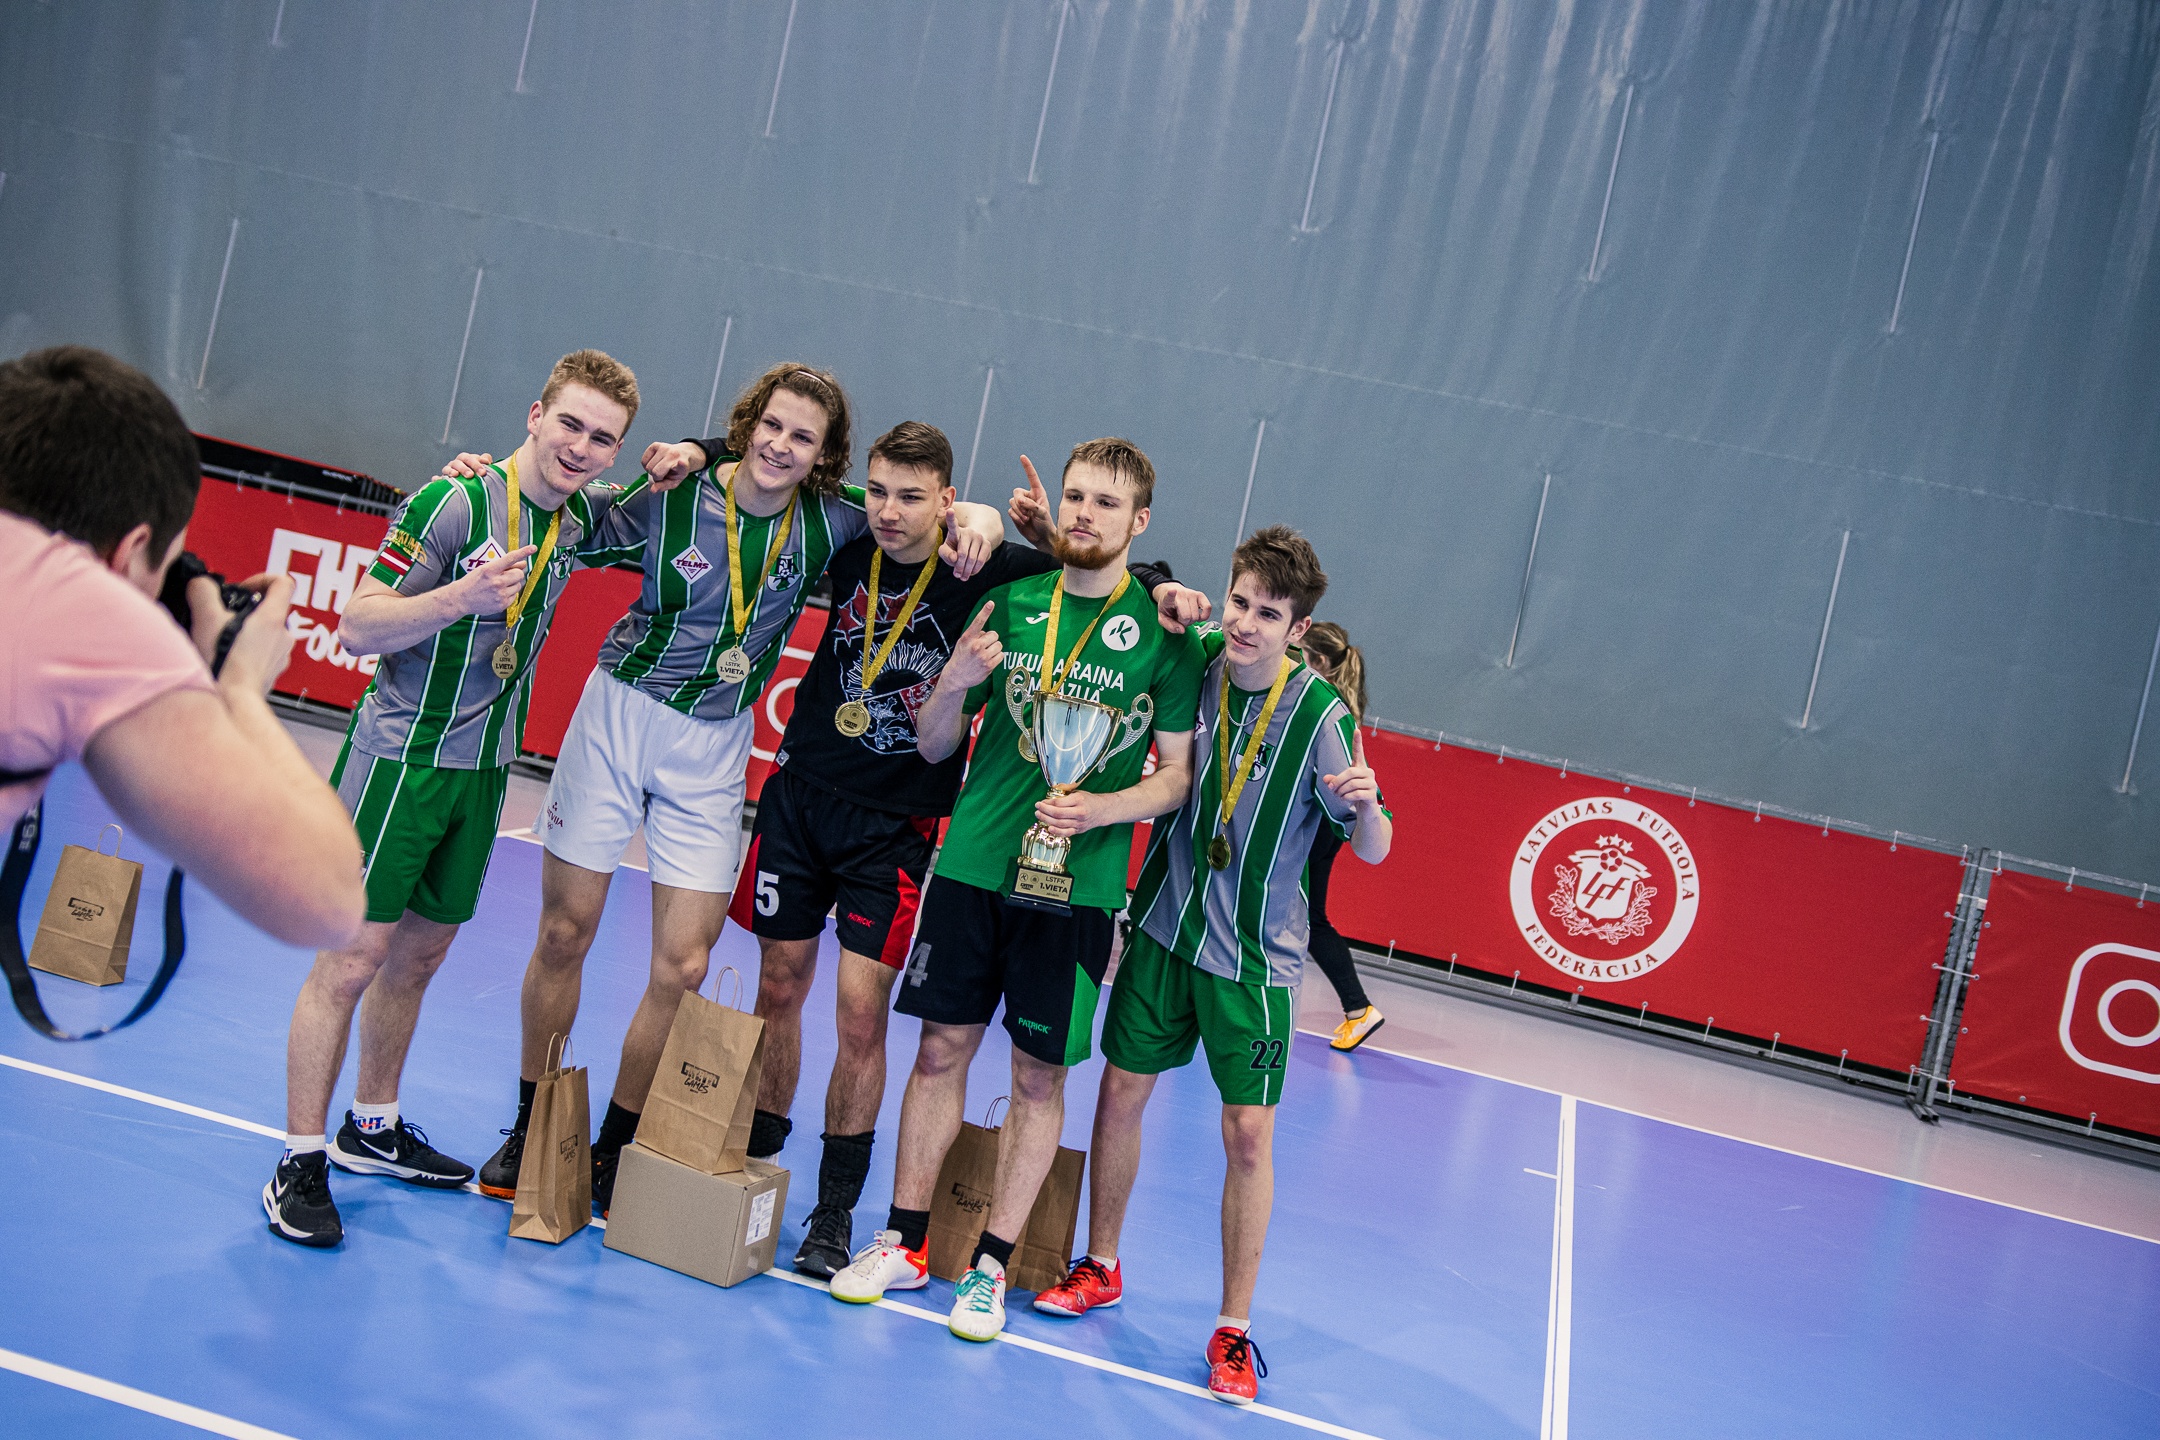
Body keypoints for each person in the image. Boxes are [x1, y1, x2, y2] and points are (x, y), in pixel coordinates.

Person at [461, 369, 1009, 1217]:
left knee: (684, 965)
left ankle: (609, 1148)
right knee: (565, 933)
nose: (781, 447)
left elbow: (938, 509)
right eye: (771, 427)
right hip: (618, 714)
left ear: (824, 458)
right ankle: (533, 1124)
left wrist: (982, 518)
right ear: (747, 424)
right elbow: (565, 511)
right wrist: (489, 476)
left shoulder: (837, 519)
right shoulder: (672, 488)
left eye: (804, 438)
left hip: (715, 744)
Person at [739, 424, 1192, 1277]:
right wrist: (949, 684)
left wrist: (1101, 809)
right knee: (936, 1051)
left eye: (1107, 503)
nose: (1085, 513)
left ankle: (988, 1270)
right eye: (1076, 496)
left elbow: (1178, 777)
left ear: (1139, 520)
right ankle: (899, 1243)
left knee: (1036, 1077)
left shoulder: (1168, 632)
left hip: (1076, 886)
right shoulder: (1011, 600)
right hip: (970, 865)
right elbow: (938, 743)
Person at [265, 349, 648, 1247]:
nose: (581, 447)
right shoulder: (451, 502)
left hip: (483, 773)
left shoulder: (581, 517)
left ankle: (371, 1127)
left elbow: (697, 493)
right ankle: (297, 1160)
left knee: (420, 957)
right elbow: (356, 624)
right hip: (400, 760)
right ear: (534, 415)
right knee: (350, 961)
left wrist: (697, 452)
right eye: (570, 424)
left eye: (604, 439)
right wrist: (460, 597)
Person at [1031, 525, 1391, 1406]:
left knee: (1247, 1135)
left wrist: (1369, 808)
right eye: (1239, 601)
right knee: (1120, 1093)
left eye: (1268, 613)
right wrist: (1162, 587)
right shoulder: (1197, 660)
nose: (1245, 624)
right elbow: (1140, 587)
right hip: (1163, 931)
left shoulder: (1322, 717)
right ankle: (1101, 1263)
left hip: (1256, 965)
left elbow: (1374, 849)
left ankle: (1232, 1327)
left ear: (1298, 630)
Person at [0, 345, 363, 945]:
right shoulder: (85, 608)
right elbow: (329, 903)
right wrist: (240, 687)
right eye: (163, 570)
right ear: (128, 550)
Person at [1298, 621, 1383, 1051]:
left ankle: (1358, 1008)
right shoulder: (1340, 706)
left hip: (1317, 824)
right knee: (1307, 916)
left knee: (1310, 918)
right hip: (1324, 825)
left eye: (1299, 654)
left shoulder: (1323, 708)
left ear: (1317, 661)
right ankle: (1357, 1009)